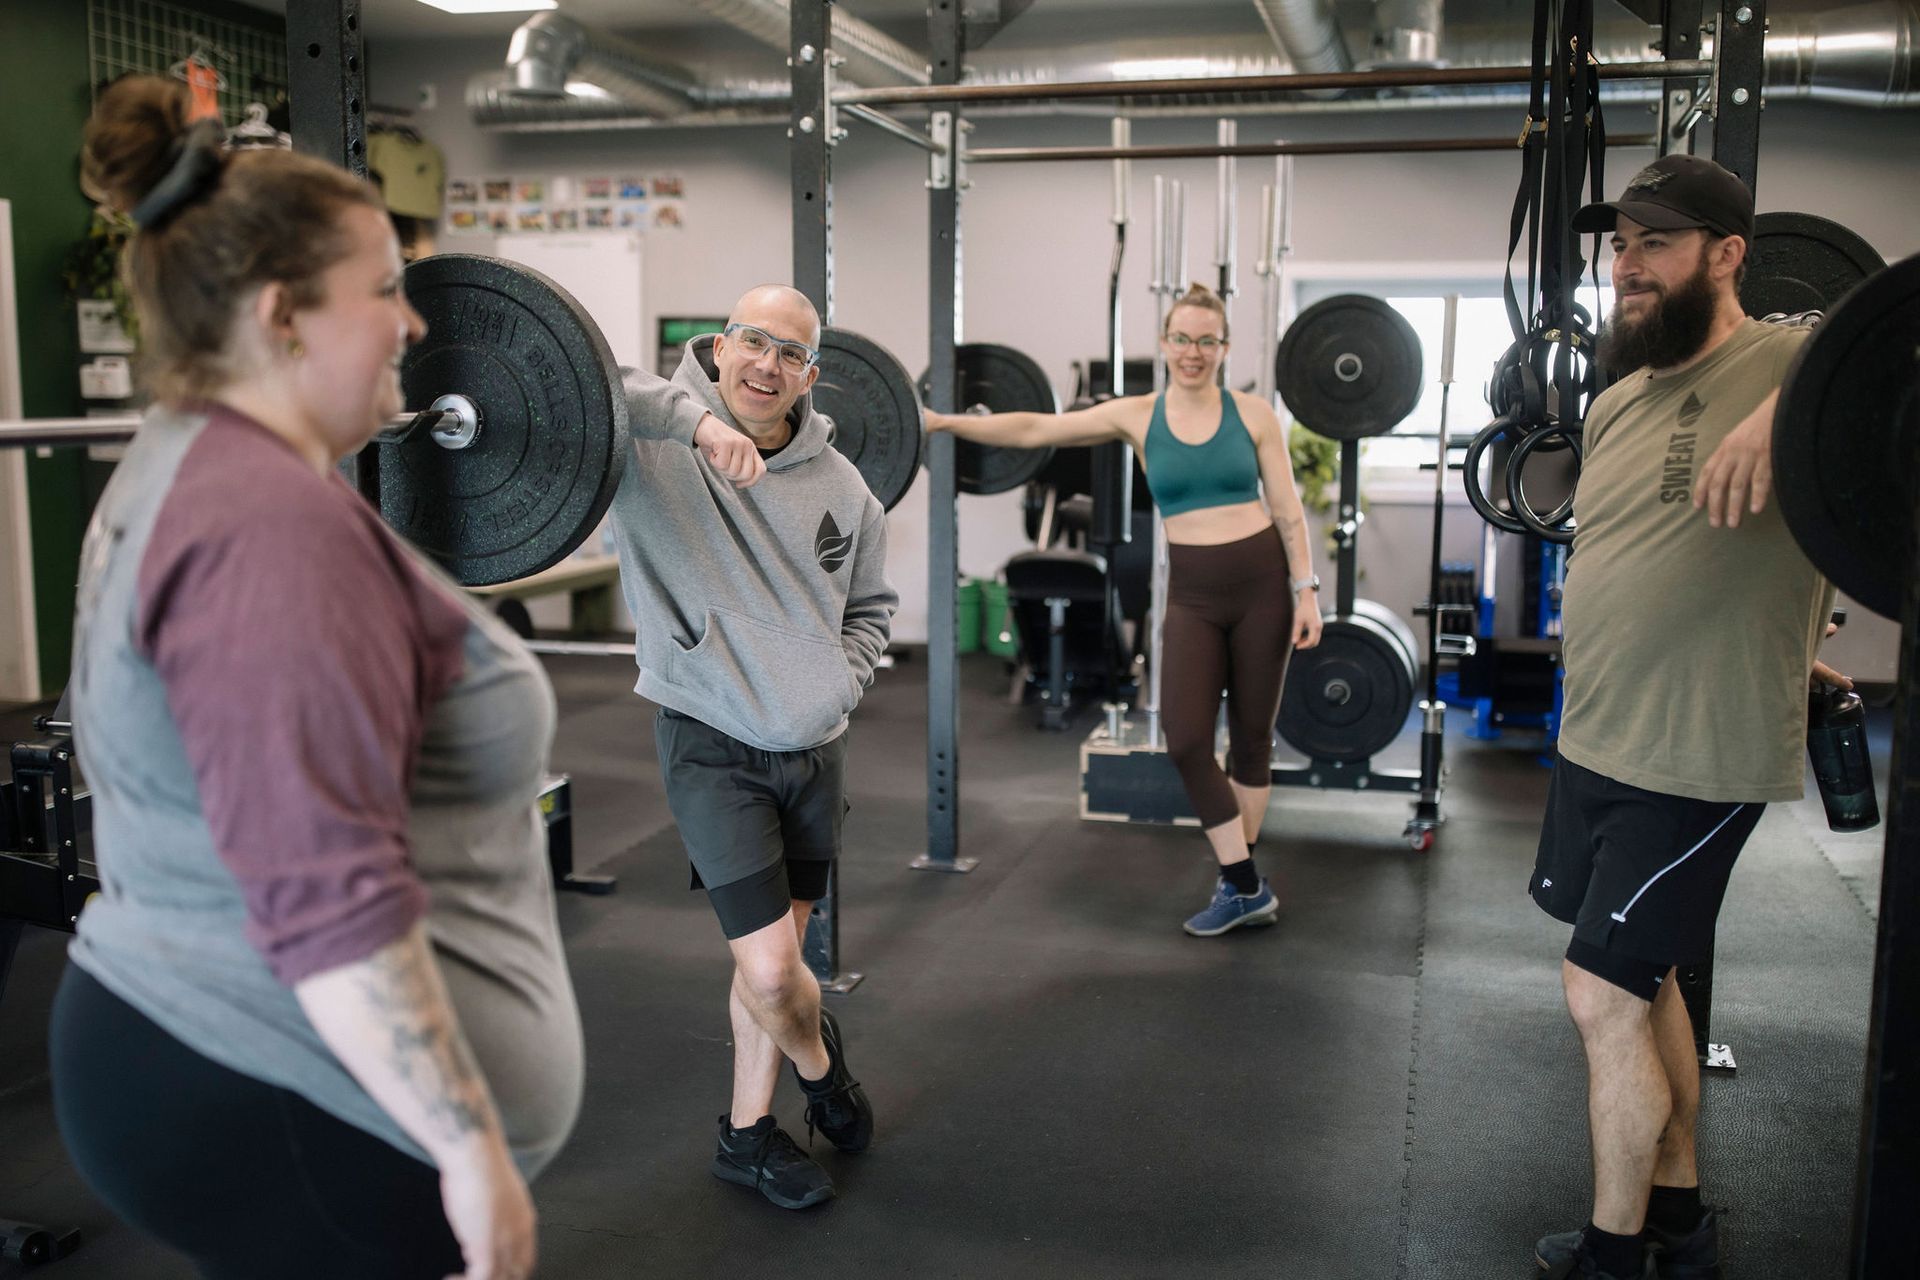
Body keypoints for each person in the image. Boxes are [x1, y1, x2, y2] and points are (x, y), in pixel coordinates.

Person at [49, 76, 583, 1280]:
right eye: (386, 288)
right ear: (285, 315)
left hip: (244, 1064)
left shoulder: (190, 461)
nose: (414, 322)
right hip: (279, 1083)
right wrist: (468, 1146)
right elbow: (323, 898)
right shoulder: (265, 527)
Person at [1528, 154, 1852, 1280]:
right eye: (1619, 243)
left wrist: (1789, 404)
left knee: (1598, 991)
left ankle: (1614, 1259)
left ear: (1727, 255)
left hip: (1698, 751)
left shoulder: (1797, 360)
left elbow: (1895, 332)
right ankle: (1679, 1218)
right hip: (1598, 736)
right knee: (1649, 976)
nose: (1627, 264)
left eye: (1655, 242)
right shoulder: (1619, 395)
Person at [608, 285, 896, 1209]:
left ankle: (744, 1137)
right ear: (720, 345)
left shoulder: (844, 489)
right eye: (753, 343)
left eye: (791, 354)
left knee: (768, 969)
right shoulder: (648, 448)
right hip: (711, 739)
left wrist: (838, 681)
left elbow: (871, 609)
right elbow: (582, 378)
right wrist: (693, 428)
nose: (767, 366)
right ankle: (823, 1070)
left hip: (813, 747)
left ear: (811, 375)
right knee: (776, 971)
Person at [927, 283, 1325, 936]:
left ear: (1222, 348)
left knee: (1253, 740)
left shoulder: (1254, 414)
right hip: (1194, 594)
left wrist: (1306, 591)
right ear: (1164, 343)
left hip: (1262, 587)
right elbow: (1038, 429)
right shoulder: (1138, 415)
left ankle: (1235, 876)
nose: (1192, 352)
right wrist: (948, 423)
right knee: (1189, 738)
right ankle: (1247, 885)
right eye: (1181, 338)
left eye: (1206, 340)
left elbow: (1286, 509)